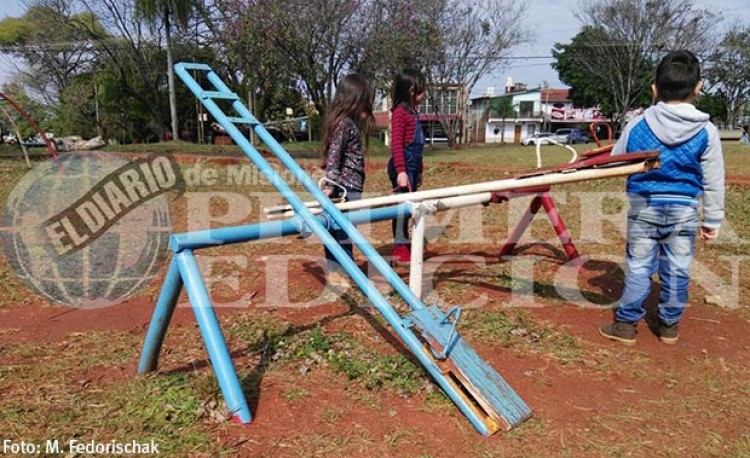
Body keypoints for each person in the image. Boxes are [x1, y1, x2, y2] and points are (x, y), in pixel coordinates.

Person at [600, 50, 725, 346]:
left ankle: (626, 325)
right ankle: (669, 326)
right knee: (678, 268)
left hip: (644, 208)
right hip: (684, 210)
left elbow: (617, 159)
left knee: (639, 266)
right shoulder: (707, 131)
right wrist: (712, 219)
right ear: (698, 88)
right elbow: (714, 180)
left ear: (654, 89)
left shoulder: (637, 124)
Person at [319, 73, 375, 289]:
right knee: (341, 229)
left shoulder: (346, 123)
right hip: (344, 187)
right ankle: (340, 271)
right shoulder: (344, 124)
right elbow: (334, 157)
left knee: (341, 229)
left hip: (349, 185)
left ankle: (341, 269)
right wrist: (330, 186)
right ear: (353, 100)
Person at [387, 69, 427, 265]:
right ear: (411, 90)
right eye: (421, 90)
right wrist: (401, 171)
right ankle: (399, 246)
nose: (424, 94)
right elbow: (396, 144)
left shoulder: (414, 114)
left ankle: (404, 241)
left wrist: (419, 171)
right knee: (402, 209)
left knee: (410, 207)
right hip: (401, 167)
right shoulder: (400, 113)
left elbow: (418, 148)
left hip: (412, 167)